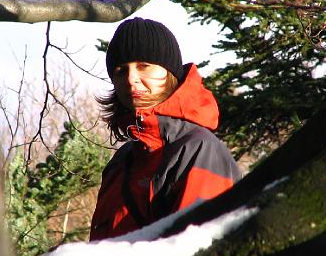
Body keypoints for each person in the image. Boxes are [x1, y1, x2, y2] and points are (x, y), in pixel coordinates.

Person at [89, 17, 242, 241]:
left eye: (144, 66)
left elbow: (190, 250)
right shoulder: (121, 162)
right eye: (121, 71)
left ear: (170, 73)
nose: (131, 79)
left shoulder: (200, 150)